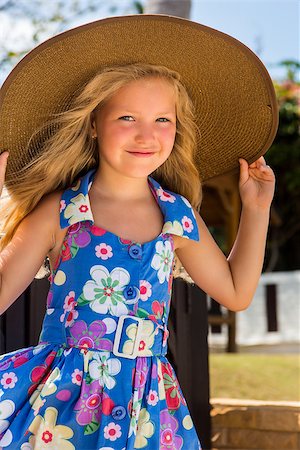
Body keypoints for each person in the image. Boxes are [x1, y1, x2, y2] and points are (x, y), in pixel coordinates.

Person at [0, 15, 277, 450]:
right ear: (93, 123)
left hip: (148, 409)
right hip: (63, 407)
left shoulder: (177, 216)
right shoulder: (63, 211)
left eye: (163, 120)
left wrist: (256, 210)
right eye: (127, 117)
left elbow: (236, 292)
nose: (147, 135)